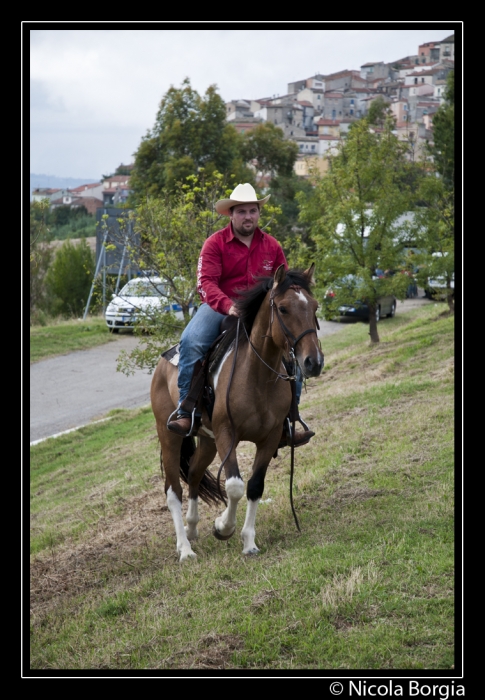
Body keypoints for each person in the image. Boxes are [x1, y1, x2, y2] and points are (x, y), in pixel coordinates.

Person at [167, 182, 315, 448]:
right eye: (243, 211)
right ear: (231, 215)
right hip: (220, 306)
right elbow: (206, 283)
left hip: (263, 312)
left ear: (259, 213)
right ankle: (187, 410)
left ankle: (289, 420)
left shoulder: (272, 246)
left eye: (253, 211)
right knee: (192, 341)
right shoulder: (214, 244)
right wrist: (228, 305)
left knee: (292, 353)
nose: (249, 216)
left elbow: (283, 285)